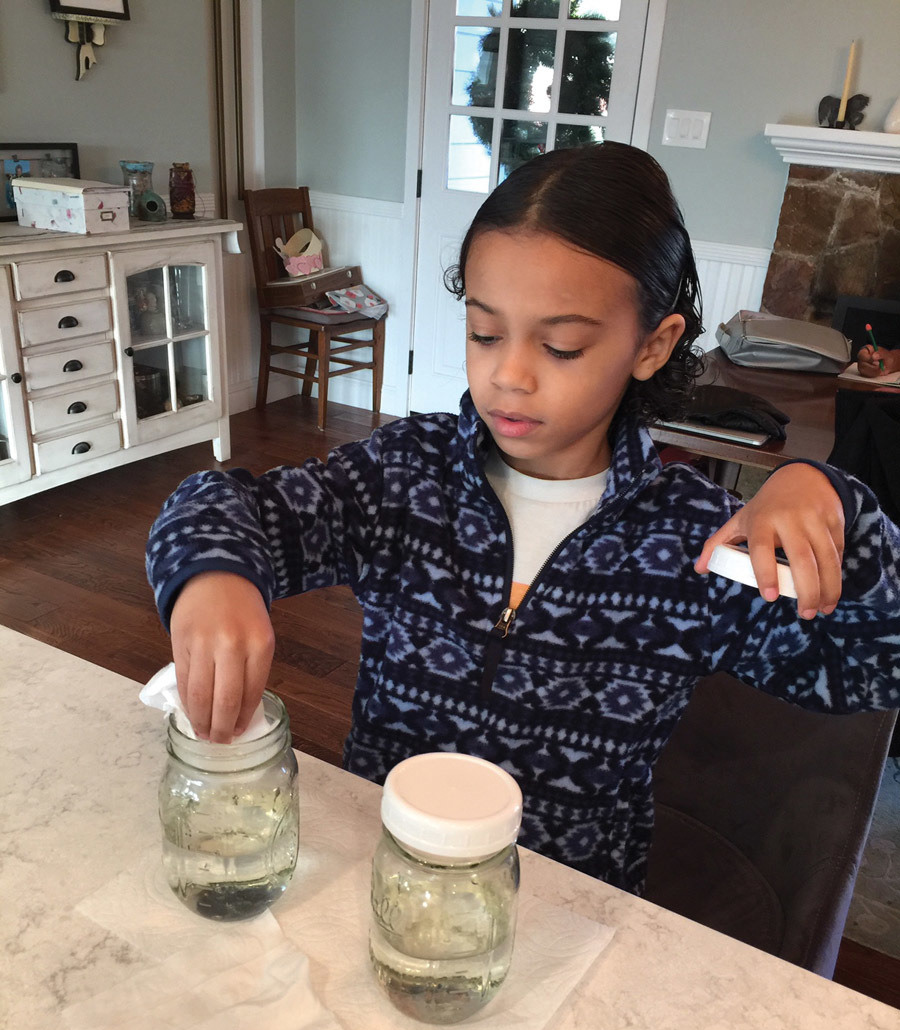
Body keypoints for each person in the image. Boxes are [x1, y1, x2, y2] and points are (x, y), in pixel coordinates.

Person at [146, 142, 900, 895]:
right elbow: (219, 505)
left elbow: (875, 668)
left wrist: (833, 500)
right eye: (484, 333)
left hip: (566, 904)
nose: (508, 374)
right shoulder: (403, 478)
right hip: (386, 876)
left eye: (562, 346)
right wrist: (214, 579)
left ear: (652, 345)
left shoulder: (697, 541)